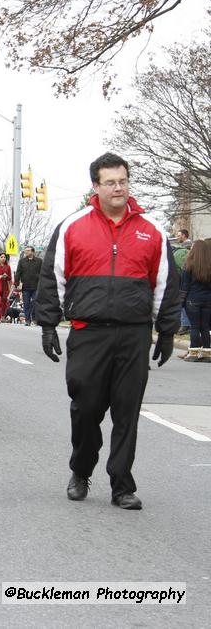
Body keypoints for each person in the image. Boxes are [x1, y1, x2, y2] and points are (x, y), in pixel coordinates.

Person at [37, 152, 179, 511]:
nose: (118, 188)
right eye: (110, 182)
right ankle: (81, 469)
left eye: (123, 180)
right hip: (88, 333)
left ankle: (121, 484)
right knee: (85, 409)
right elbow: (52, 278)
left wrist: (165, 332)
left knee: (127, 412)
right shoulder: (72, 226)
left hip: (133, 334)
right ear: (95, 186)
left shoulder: (152, 230)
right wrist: (48, 325)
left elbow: (165, 285)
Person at [179, 239, 211, 362]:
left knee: (195, 327)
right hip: (208, 300)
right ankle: (207, 354)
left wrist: (181, 302)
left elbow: (184, 285)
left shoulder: (189, 264)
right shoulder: (209, 265)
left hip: (192, 300)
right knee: (205, 327)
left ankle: (193, 353)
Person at [13, 246, 42, 325]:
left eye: (28, 250)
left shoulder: (39, 261)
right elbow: (18, 273)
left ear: (33, 252)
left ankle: (35, 319)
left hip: (36, 286)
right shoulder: (22, 261)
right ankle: (27, 320)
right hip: (25, 286)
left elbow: (43, 273)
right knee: (26, 304)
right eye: (25, 251)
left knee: (35, 302)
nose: (26, 252)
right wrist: (16, 283)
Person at [0, 253, 12, 323]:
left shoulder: (8, 267)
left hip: (5, 286)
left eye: (4, 257)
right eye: (1, 257)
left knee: (4, 302)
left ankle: (3, 317)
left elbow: (10, 278)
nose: (3, 258)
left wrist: (6, 276)